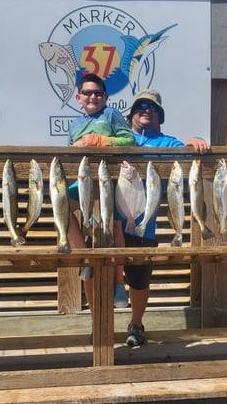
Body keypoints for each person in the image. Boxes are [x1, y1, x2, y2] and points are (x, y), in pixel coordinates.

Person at [123, 89, 210, 347]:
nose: (146, 109)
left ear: (160, 116)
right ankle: (99, 325)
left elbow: (187, 150)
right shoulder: (119, 137)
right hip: (108, 222)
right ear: (131, 113)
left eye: (152, 107)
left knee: (139, 281)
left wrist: (195, 141)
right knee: (95, 276)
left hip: (142, 229)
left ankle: (136, 325)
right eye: (140, 105)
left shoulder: (166, 143)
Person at [67, 73, 135, 315]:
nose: (93, 96)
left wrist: (99, 140)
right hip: (84, 180)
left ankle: (119, 283)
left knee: (114, 227)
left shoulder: (111, 115)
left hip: (111, 181)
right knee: (61, 208)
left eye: (97, 93)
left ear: (106, 97)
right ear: (78, 98)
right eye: (87, 92)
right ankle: (85, 259)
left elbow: (130, 140)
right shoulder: (74, 125)